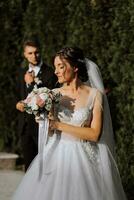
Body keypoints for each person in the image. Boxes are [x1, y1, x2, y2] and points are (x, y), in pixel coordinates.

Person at [12, 47, 127, 200]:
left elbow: (94, 134)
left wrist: (58, 125)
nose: (56, 71)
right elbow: (50, 131)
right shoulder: (53, 95)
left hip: (86, 160)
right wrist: (43, 120)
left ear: (75, 67)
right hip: (56, 157)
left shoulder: (95, 95)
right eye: (55, 67)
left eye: (60, 66)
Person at [16, 37, 58, 171]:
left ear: (41, 52)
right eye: (30, 53)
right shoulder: (21, 72)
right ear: (24, 54)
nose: (34, 56)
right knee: (28, 167)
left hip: (42, 126)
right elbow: (18, 95)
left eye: (36, 52)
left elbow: (49, 98)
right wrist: (17, 104)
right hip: (25, 126)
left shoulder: (50, 73)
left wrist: (31, 83)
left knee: (44, 166)